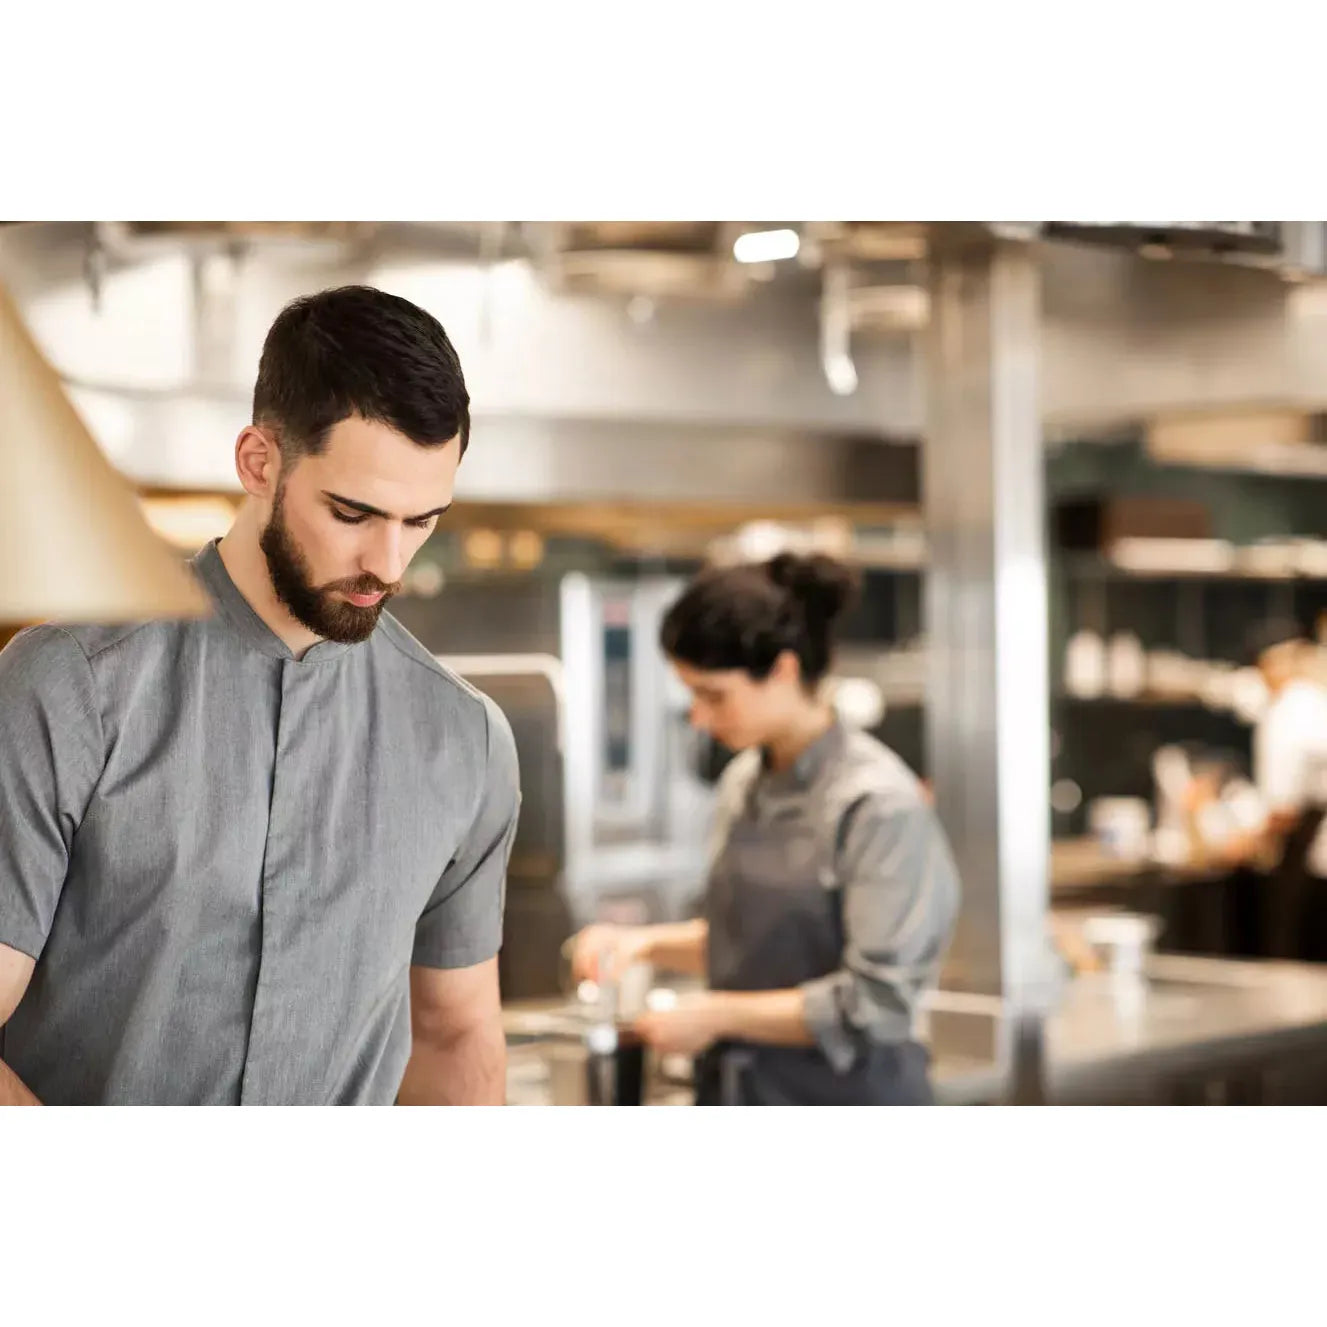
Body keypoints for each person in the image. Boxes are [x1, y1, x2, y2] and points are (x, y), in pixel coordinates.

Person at [0, 285, 520, 1105]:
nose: (388, 562)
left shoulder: (464, 737)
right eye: (353, 512)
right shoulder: (70, 683)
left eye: (422, 521)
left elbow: (455, 1033)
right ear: (258, 462)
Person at [570, 553, 960, 1105]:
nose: (699, 719)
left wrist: (716, 1014)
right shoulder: (745, 782)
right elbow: (760, 946)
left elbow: (877, 1003)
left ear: (782, 669)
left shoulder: (876, 806)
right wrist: (641, 945)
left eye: (714, 695)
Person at [1223, 622, 1327, 960]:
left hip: (1312, 852)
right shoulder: (1315, 700)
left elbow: (1284, 812)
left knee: (1296, 960)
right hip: (1313, 846)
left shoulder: (1287, 712)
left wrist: (1245, 843)